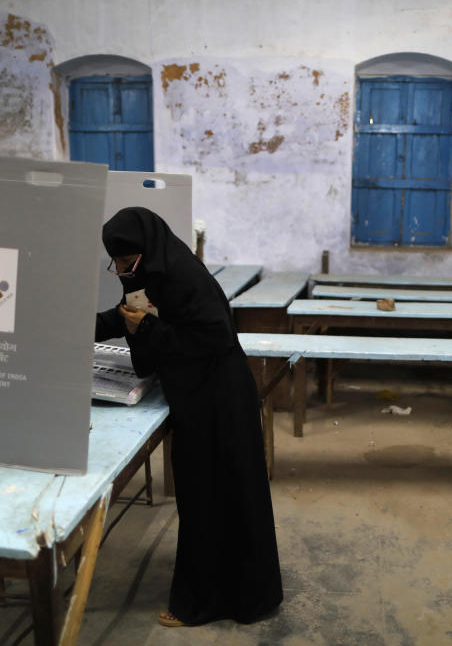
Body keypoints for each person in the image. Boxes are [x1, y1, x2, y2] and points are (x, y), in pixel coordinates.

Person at [95, 207, 283, 627]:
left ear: (143, 251)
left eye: (126, 263)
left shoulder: (184, 275)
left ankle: (205, 603)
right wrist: (82, 327)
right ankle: (230, 594)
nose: (123, 271)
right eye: (118, 264)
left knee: (214, 498)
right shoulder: (151, 273)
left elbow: (212, 338)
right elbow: (129, 314)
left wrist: (147, 330)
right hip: (199, 397)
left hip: (219, 400)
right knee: (208, 499)